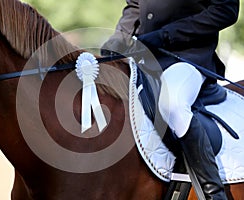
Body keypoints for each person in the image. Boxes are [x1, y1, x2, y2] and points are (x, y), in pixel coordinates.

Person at [101, 0, 239, 199]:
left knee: (172, 103)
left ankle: (213, 192)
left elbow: (226, 10)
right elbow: (135, 6)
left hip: (188, 58)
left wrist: (166, 35)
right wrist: (120, 37)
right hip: (143, 56)